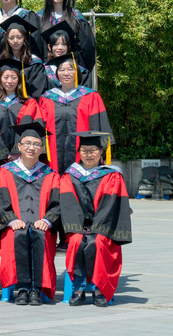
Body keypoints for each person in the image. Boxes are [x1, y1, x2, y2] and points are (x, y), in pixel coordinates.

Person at [0, 121, 60, 306]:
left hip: (41, 224)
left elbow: (57, 203)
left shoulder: (50, 174)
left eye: (36, 144)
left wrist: (47, 220)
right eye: (27, 143)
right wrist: (11, 220)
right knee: (17, 235)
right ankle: (22, 288)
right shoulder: (5, 172)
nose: (31, 147)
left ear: (42, 148)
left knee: (41, 235)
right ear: (19, 146)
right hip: (14, 224)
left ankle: (36, 289)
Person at [59, 131, 131, 307]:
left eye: (93, 150)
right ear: (79, 152)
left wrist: (97, 228)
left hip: (103, 226)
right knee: (76, 241)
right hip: (78, 226)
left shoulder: (112, 174)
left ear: (101, 152)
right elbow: (69, 204)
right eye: (84, 150)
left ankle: (99, 289)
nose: (88, 154)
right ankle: (79, 289)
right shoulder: (70, 175)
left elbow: (109, 205)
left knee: (97, 242)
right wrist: (78, 227)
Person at [19, 53, 112, 173]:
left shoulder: (90, 96)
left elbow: (98, 124)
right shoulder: (46, 98)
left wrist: (100, 149)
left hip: (82, 154)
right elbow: (41, 127)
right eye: (62, 70)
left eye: (70, 69)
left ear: (77, 72)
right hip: (53, 155)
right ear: (57, 74)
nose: (66, 73)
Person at [36, 0, 96, 71]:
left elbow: (88, 47)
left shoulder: (76, 17)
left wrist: (81, 70)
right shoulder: (39, 17)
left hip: (71, 71)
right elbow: (35, 47)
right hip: (46, 72)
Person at [0, 16, 46, 99]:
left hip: (26, 103)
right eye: (11, 38)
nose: (15, 40)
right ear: (7, 39)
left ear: (24, 38)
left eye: (19, 37)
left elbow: (37, 90)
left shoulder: (34, 63)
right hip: (3, 103)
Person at [0, 59, 30, 163]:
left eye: (14, 77)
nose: (9, 81)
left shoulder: (28, 103)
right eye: (6, 77)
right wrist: (2, 153)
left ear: (19, 80)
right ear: (0, 79)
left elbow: (28, 127)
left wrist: (17, 151)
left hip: (21, 156)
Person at [41, 21, 92, 89]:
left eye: (64, 44)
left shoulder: (80, 71)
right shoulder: (42, 70)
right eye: (56, 44)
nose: (60, 48)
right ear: (49, 47)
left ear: (68, 47)